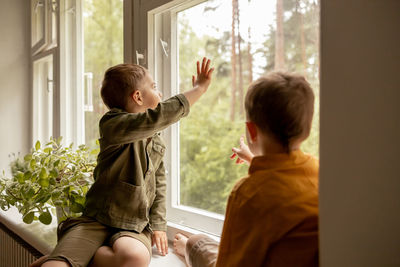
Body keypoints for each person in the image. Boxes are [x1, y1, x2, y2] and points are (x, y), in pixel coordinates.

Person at [30, 57, 214, 267]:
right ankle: (65, 258)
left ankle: (81, 256)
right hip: (96, 220)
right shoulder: (112, 124)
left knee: (135, 257)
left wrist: (159, 225)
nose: (160, 93)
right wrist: (198, 89)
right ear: (137, 97)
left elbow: (159, 184)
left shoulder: (155, 140)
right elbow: (155, 118)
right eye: (154, 87)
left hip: (133, 226)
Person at [173, 72, 319, 267]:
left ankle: (188, 249)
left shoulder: (247, 194)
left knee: (195, 242)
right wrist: (253, 160)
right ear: (307, 128)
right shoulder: (319, 171)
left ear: (251, 131)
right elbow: (285, 178)